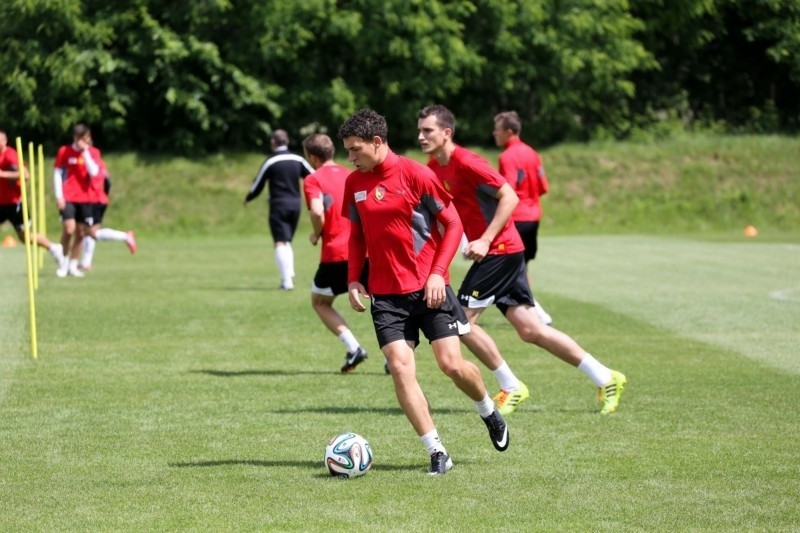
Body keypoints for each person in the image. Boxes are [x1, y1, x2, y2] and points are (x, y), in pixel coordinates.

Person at [418, 104, 627, 415]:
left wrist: (486, 239)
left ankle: (511, 386)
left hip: (501, 250)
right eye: (419, 130)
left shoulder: (468, 161)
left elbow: (510, 197)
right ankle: (606, 376)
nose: (421, 136)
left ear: (447, 133)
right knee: (531, 329)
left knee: (460, 320)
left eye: (427, 131)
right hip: (501, 253)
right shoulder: (433, 169)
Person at [338, 109, 509, 476]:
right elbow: (355, 235)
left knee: (451, 365)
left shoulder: (417, 174)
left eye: (355, 149)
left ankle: (488, 411)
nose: (350, 157)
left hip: (429, 290)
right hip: (385, 296)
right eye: (347, 150)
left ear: (377, 143)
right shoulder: (354, 184)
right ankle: (436, 451)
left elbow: (453, 224)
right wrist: (353, 280)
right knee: (400, 369)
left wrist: (437, 274)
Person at [301, 133, 371, 373]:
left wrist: (315, 233)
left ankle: (354, 349)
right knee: (385, 302)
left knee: (320, 302)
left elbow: (317, 212)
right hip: (366, 250)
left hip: (337, 253)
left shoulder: (313, 179)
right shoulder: (353, 173)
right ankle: (393, 357)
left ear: (312, 157)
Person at [492, 111, 552, 325]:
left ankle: (536, 311)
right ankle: (535, 310)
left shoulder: (507, 157)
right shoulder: (533, 153)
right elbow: (543, 187)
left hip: (516, 218)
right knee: (522, 266)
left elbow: (506, 190)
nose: (494, 134)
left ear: (509, 132)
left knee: (509, 267)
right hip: (534, 216)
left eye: (497, 130)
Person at [244, 129, 314, 290]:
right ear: (287, 142)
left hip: (278, 205)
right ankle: (290, 273)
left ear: (273, 143)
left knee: (280, 241)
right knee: (287, 240)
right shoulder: (298, 159)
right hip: (296, 205)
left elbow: (258, 184)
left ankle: (287, 281)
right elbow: (314, 175)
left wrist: (248, 198)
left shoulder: (271, 161)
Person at [0, 129, 64, 267]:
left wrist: (3, 174)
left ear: (5, 141)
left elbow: (26, 175)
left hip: (14, 204)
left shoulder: (10, 155)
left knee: (26, 237)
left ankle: (54, 248)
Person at [78, 134, 137, 271]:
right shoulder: (97, 157)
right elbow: (108, 180)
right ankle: (86, 262)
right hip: (99, 198)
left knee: (90, 232)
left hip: (94, 199)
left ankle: (125, 237)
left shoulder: (89, 155)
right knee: (88, 231)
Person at [53, 123, 101, 278]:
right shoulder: (64, 151)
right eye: (81, 138)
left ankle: (73, 265)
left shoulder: (93, 152)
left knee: (81, 233)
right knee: (69, 229)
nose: (84, 140)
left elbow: (94, 171)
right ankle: (63, 262)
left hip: (85, 198)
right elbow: (57, 173)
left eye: (87, 138)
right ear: (75, 137)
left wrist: (85, 152)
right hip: (68, 197)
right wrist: (59, 195)